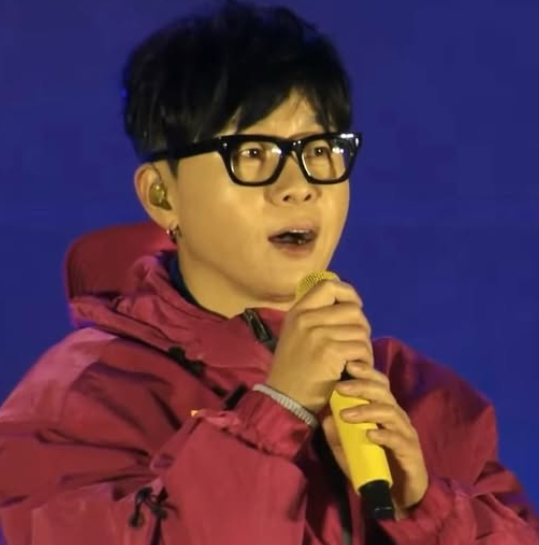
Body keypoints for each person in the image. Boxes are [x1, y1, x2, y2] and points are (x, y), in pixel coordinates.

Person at [0, 1, 537, 544]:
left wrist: (428, 511)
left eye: (318, 149)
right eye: (253, 152)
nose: (299, 186)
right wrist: (278, 411)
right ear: (163, 195)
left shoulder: (420, 395)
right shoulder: (77, 400)